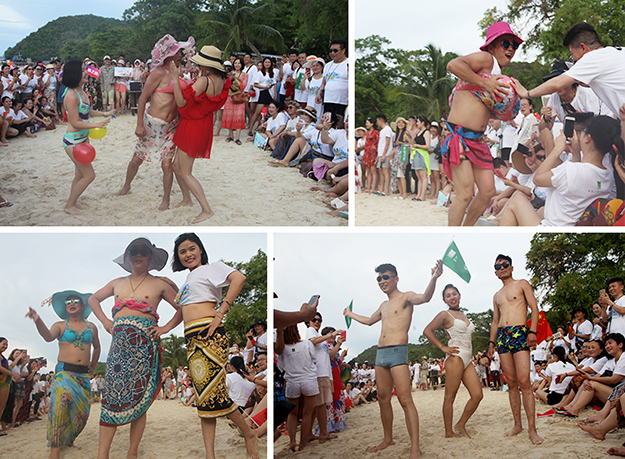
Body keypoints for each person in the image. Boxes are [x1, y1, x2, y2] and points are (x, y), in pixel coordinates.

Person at [88, 237, 182, 459]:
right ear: (128, 257)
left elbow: (182, 307)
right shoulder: (117, 282)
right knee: (111, 396)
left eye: (143, 251)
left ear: (150, 257)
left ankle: (132, 451)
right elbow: (93, 299)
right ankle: (103, 454)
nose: (138, 254)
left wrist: (166, 328)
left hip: (145, 346)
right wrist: (105, 322)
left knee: (140, 397)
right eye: (134, 251)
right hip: (118, 346)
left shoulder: (159, 284)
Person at [171, 232, 259, 459]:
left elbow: (239, 278)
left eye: (192, 248)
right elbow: (182, 311)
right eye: (182, 252)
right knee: (203, 396)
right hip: (191, 338)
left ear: (200, 249)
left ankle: (249, 434)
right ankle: (210, 455)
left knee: (216, 392)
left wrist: (220, 314)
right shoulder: (187, 281)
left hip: (210, 333)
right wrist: (164, 329)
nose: (188, 254)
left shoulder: (212, 268)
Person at [343, 260, 443, 459]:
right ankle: (387, 439)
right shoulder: (383, 305)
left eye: (385, 277)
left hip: (398, 351)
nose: (382, 281)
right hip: (380, 354)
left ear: (396, 279)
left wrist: (434, 278)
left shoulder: (406, 297)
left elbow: (425, 297)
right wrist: (350, 314)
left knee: (405, 399)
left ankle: (415, 447)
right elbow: (369, 321)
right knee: (382, 398)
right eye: (379, 278)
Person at [444, 21, 522, 225]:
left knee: (487, 192)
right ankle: (453, 235)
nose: (511, 49)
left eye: (514, 45)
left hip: (478, 140)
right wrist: (484, 83)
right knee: (465, 194)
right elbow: (453, 65)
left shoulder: (497, 74)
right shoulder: (486, 59)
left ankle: (465, 230)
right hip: (459, 137)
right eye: (506, 44)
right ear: (492, 46)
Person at [118, 34, 195, 211]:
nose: (180, 55)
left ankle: (166, 199)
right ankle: (127, 185)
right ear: (168, 55)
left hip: (171, 127)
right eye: (177, 53)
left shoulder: (178, 73)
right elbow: (143, 98)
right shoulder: (158, 73)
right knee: (136, 160)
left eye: (180, 52)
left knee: (166, 164)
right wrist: (139, 124)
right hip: (152, 125)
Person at [26, 290, 101, 459]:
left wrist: (93, 366)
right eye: (68, 302)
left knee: (81, 413)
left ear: (82, 305)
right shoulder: (60, 325)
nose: (71, 303)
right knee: (60, 408)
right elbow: (47, 337)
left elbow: (97, 347)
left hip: (83, 376)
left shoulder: (91, 327)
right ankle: (55, 449)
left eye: (75, 300)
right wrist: (37, 320)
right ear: (65, 307)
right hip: (64, 372)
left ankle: (69, 440)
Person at [168, 45, 231, 223]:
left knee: (185, 172)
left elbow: (181, 102)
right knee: (176, 166)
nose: (198, 66)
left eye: (201, 63)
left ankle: (206, 209)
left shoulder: (204, 81)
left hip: (193, 124)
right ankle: (187, 199)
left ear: (208, 65)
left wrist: (175, 78)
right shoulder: (222, 80)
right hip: (201, 122)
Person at [512, 23, 625, 117]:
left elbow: (556, 84)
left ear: (583, 48)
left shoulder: (593, 57)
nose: (574, 61)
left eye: (572, 54)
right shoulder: (617, 52)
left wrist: (527, 93)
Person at [488, 254, 543, 444]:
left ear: (511, 267)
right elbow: (495, 320)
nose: (502, 268)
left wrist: (532, 331)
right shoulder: (497, 295)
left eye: (505, 264)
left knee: (524, 381)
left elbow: (534, 308)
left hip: (520, 331)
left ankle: (532, 430)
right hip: (502, 336)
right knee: (511, 382)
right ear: (495, 272)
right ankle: (517, 424)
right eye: (498, 266)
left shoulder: (522, 284)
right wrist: (491, 343)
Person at [423, 284, 483, 438]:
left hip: (468, 359)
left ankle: (460, 424)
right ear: (444, 300)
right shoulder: (445, 314)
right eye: (448, 296)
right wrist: (442, 347)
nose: (452, 297)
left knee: (477, 395)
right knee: (450, 397)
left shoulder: (463, 315)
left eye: (454, 294)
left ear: (459, 295)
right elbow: (427, 331)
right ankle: (448, 431)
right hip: (455, 358)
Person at [60, 60, 111, 215]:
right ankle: (69, 205)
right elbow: (75, 122)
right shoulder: (71, 95)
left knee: (79, 174)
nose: (86, 73)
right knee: (89, 176)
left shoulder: (81, 91)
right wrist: (97, 125)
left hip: (82, 140)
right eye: (83, 70)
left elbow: (87, 111)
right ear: (74, 74)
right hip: (73, 142)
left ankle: (73, 201)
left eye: (85, 69)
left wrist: (104, 113)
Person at [223, 57, 248, 145]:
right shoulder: (230, 73)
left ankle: (237, 137)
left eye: (239, 63)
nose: (237, 65)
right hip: (229, 97)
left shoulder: (245, 75)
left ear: (242, 64)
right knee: (229, 116)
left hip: (239, 97)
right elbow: (225, 84)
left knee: (239, 116)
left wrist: (234, 79)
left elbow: (243, 86)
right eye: (236, 63)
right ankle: (231, 135)